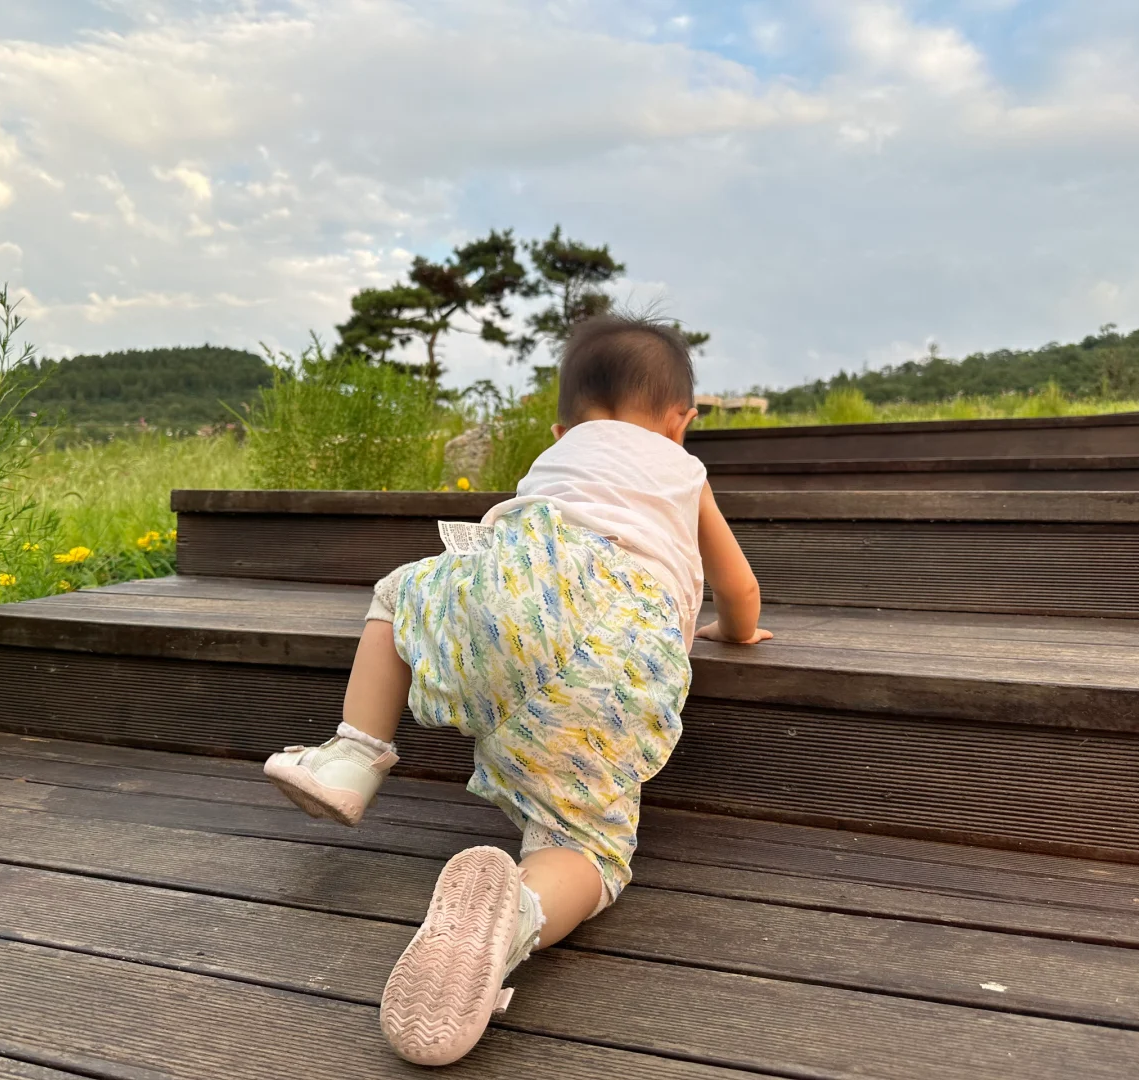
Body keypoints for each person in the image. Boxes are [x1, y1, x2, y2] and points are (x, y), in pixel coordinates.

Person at [264, 314, 771, 1066]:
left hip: (515, 603)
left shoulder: (557, 462)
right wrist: (736, 633)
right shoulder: (682, 470)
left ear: (561, 428)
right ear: (682, 422)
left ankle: (352, 756)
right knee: (585, 847)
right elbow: (740, 591)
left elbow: (512, 570)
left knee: (403, 595)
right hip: (619, 657)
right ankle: (518, 919)